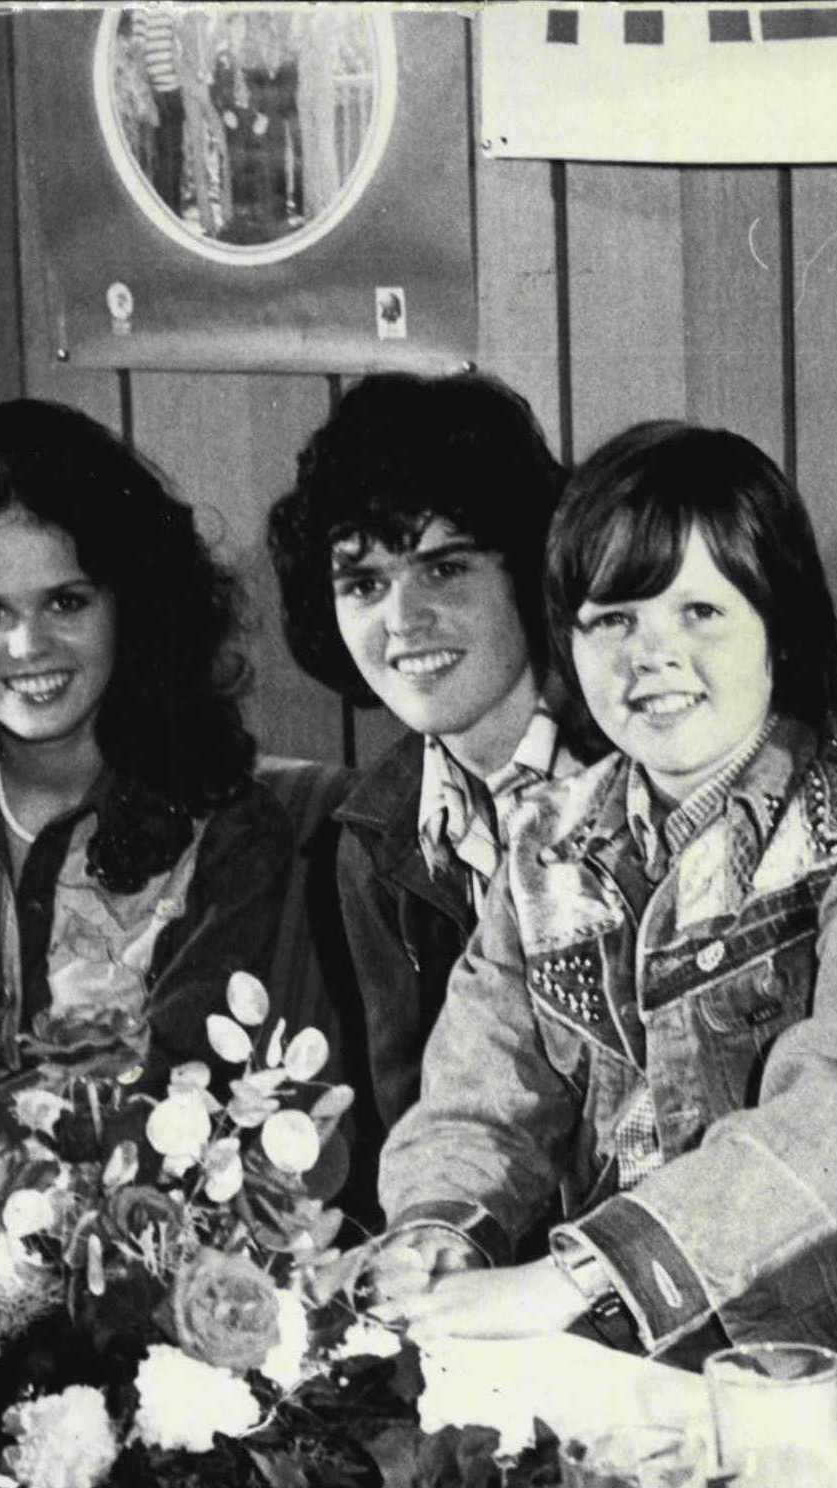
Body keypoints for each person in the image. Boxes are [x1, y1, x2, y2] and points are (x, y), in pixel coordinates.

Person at [359, 420, 837, 1428]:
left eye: (699, 610)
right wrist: (439, 1229)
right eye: (611, 619)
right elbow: (481, 1095)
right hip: (625, 1372)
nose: (652, 657)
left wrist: (570, 1277)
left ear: (778, 624)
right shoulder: (545, 835)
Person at [0, 399, 290, 1139]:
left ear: (128, 607)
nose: (27, 647)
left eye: (66, 602)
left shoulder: (233, 833)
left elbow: (176, 1110)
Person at [261, 369, 592, 1220]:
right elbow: (417, 1124)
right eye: (363, 583)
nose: (402, 619)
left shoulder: (636, 774)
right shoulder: (374, 834)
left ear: (529, 568)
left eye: (444, 568)